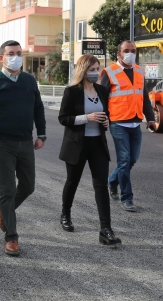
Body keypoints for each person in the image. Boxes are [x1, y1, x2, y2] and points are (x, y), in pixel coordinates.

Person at [0, 40, 46, 257]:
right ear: (1, 58)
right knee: (7, 189)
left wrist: (41, 134)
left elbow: (38, 109)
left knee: (28, 186)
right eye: (11, 53)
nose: (16, 57)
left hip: (25, 142)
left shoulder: (29, 81)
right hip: (1, 143)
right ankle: (11, 238)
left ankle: (3, 208)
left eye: (19, 53)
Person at [58, 54, 121, 247]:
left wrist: (106, 121)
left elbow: (105, 114)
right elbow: (63, 118)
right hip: (77, 144)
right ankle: (65, 214)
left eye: (97, 69)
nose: (95, 73)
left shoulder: (101, 90)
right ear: (82, 70)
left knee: (101, 185)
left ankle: (106, 229)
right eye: (91, 69)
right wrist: (88, 117)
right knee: (72, 181)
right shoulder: (72, 92)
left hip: (97, 144)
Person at [100, 40, 156, 212]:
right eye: (126, 50)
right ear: (119, 53)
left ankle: (112, 181)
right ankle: (127, 198)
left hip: (135, 122)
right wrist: (104, 120)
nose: (130, 53)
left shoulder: (139, 71)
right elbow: (102, 98)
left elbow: (144, 97)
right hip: (118, 122)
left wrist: (151, 118)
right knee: (124, 160)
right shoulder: (109, 72)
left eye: (133, 50)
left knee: (132, 159)